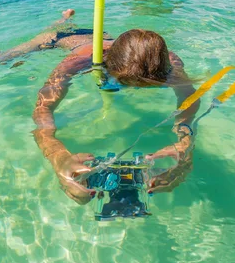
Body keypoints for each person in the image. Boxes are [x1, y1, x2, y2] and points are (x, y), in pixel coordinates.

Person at [32, 28, 200, 205]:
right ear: (109, 66)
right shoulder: (79, 61)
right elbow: (43, 107)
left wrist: (185, 140)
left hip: (108, 40)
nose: (136, 89)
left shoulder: (170, 64)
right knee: (2, 59)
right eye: (125, 82)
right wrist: (57, 156)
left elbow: (189, 97)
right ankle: (62, 22)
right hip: (64, 38)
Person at [0, 9, 111, 65]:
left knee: (59, 28)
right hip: (55, 38)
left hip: (94, 35)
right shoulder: (86, 54)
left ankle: (65, 17)